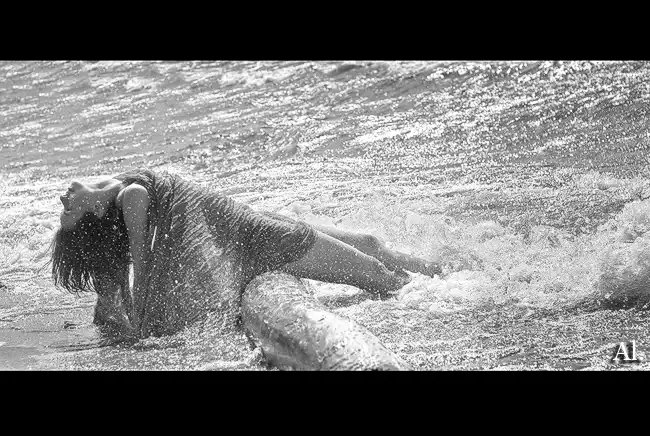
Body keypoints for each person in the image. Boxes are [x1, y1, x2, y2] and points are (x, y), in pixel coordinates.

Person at [51, 168, 440, 341]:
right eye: (68, 214)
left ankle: (443, 271)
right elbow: (144, 265)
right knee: (376, 275)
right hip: (260, 240)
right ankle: (442, 293)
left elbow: (125, 277)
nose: (62, 201)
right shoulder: (131, 196)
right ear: (94, 213)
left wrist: (123, 319)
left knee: (369, 246)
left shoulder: (125, 185)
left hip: (249, 226)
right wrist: (139, 320)